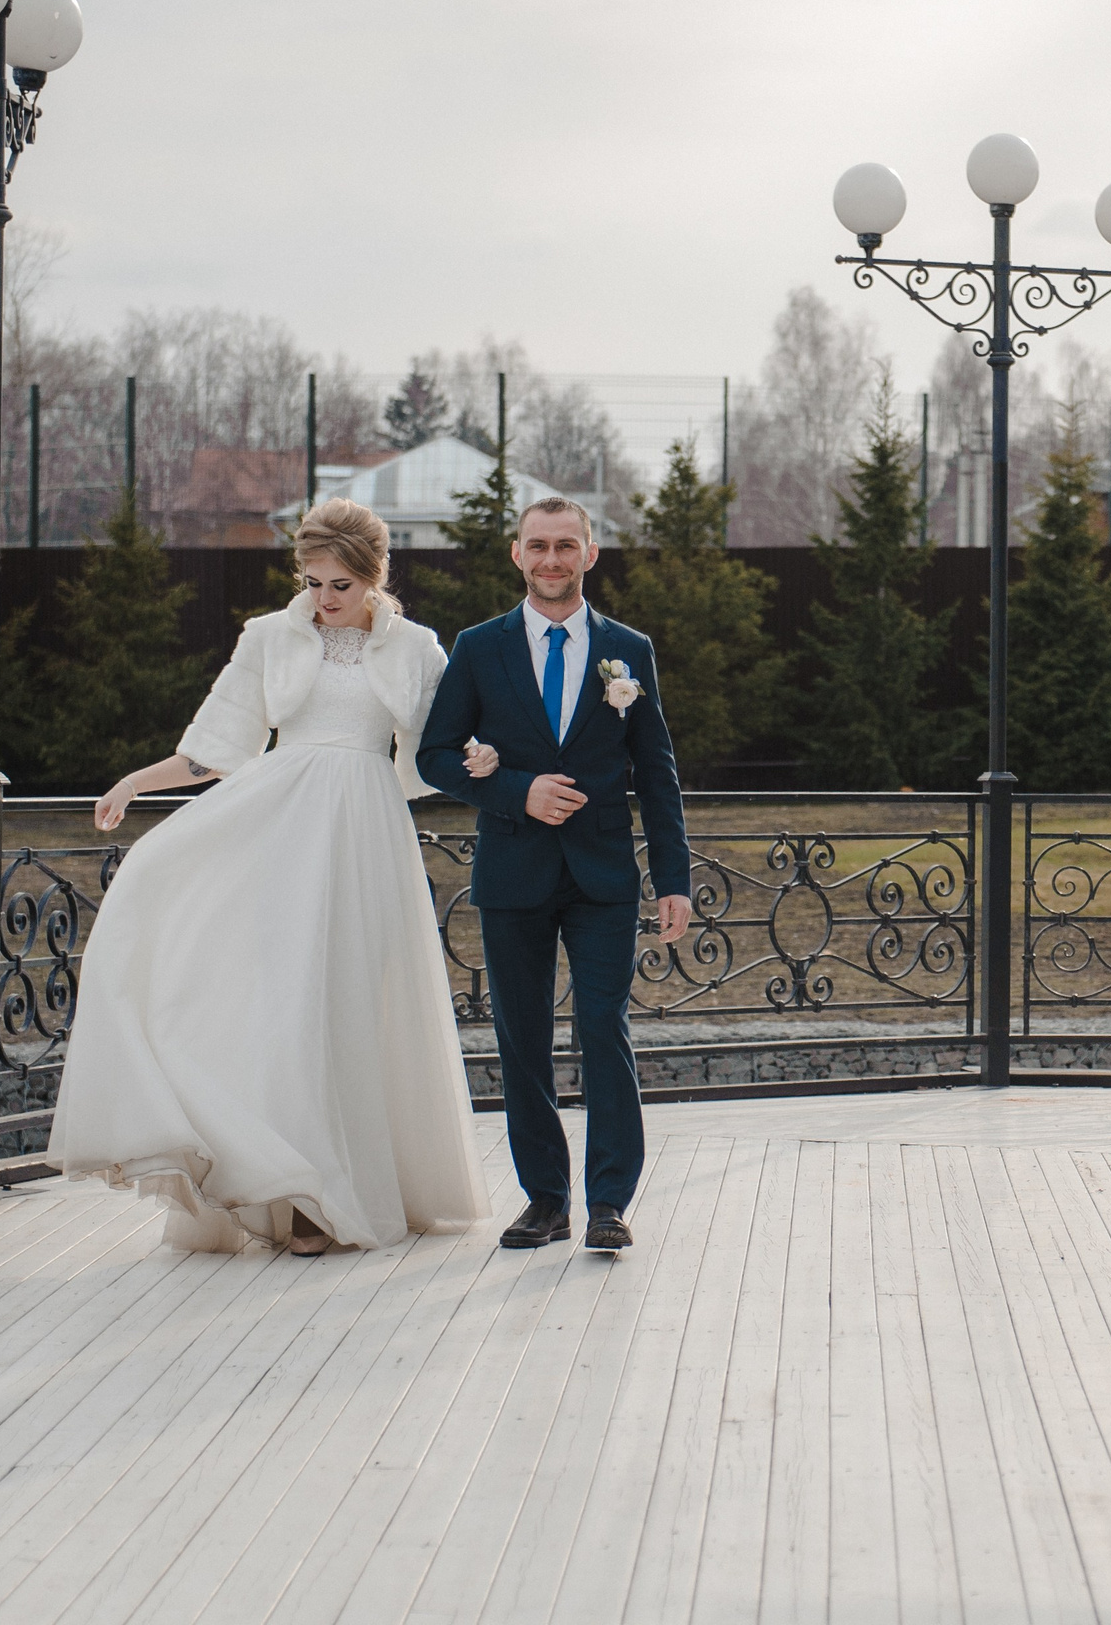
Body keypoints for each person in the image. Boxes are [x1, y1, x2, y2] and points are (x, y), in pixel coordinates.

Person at [49, 499, 492, 1257]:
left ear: (373, 578)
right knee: (284, 1004)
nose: (323, 598)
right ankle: (294, 1195)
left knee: (350, 1004)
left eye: (340, 585)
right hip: (279, 828)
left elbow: (439, 748)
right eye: (313, 580)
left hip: (365, 838)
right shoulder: (268, 637)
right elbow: (217, 747)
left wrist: (483, 758)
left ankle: (343, 1192)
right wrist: (133, 783)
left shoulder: (418, 648)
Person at [416, 495, 692, 1253]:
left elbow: (657, 772)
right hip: (514, 872)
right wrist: (516, 792)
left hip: (603, 876)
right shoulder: (479, 648)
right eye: (538, 545)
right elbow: (435, 755)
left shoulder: (628, 649)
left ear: (590, 553)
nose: (551, 560)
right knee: (523, 1039)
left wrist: (674, 878)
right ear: (517, 553)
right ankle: (546, 1201)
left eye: (566, 545)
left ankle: (608, 1203)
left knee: (605, 1030)